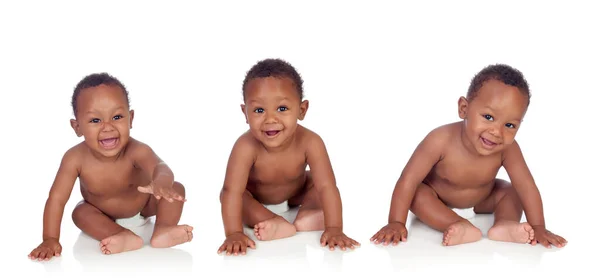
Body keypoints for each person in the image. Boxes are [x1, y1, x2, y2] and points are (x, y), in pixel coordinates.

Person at [371, 64, 568, 248]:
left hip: (482, 198)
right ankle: (458, 224)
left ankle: (505, 224)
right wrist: (396, 222)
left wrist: (539, 227)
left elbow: (527, 186)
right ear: (464, 109)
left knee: (512, 190)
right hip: (437, 198)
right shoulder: (439, 140)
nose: (497, 132)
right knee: (416, 193)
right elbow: (408, 180)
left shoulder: (509, 149)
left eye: (509, 125)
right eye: (488, 117)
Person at [28, 73, 193, 261]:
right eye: (95, 120)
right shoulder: (74, 158)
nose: (108, 127)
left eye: (117, 116)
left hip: (144, 206)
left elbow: (161, 167)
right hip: (102, 214)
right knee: (80, 212)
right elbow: (56, 199)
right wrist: (50, 238)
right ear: (77, 127)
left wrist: (161, 182)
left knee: (176, 188)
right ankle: (120, 234)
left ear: (130, 118)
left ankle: (163, 229)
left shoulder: (137, 150)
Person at [217, 58, 360, 256]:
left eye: (282, 108)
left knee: (317, 183)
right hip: (256, 197)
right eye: (259, 110)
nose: (270, 119)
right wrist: (233, 233)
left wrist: (335, 228)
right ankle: (273, 221)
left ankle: (307, 215)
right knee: (228, 196)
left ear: (302, 110)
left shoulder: (311, 142)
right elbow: (232, 190)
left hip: (296, 192)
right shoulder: (245, 146)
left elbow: (327, 187)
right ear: (245, 113)